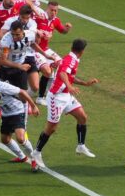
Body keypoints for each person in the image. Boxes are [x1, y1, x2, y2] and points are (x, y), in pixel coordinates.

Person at [30, 39, 99, 171]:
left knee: (82, 117)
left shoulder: (73, 59)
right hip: (56, 98)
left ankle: (80, 145)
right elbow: (62, 74)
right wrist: (69, 86)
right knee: (52, 128)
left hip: (66, 96)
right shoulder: (70, 60)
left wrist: (85, 83)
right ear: (82, 51)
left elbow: (69, 76)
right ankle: (36, 152)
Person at [0, 66, 40, 170]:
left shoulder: (3, 86)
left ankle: (35, 159)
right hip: (6, 114)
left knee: (20, 138)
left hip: (17, 111)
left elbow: (22, 92)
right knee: (5, 139)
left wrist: (33, 106)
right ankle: (22, 157)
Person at [33, 1, 71, 105]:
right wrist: (38, 33)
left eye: (55, 10)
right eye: (52, 10)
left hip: (45, 49)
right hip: (34, 49)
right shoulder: (39, 17)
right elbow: (28, 27)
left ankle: (53, 89)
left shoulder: (56, 20)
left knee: (62, 65)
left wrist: (67, 29)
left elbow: (62, 31)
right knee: (47, 71)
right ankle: (40, 98)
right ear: (47, 9)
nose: (53, 12)